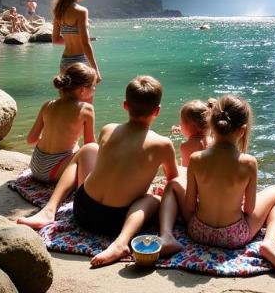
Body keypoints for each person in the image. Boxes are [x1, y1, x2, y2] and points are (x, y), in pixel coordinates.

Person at [17, 75, 178, 268]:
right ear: (157, 111)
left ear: (125, 106)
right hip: (115, 222)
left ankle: (49, 210)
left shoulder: (108, 129)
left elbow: (109, 166)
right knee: (153, 199)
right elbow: (172, 180)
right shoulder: (163, 144)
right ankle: (121, 243)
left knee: (87, 149)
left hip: (82, 208)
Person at [158, 94, 275, 276]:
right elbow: (250, 210)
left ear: (211, 124)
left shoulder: (197, 159)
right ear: (242, 130)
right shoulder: (249, 162)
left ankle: (165, 234)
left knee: (173, 184)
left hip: (198, 232)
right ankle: (269, 242)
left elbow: (190, 206)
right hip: (235, 237)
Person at [27, 63, 97, 183]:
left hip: (36, 166)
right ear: (83, 90)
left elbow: (31, 140)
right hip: (54, 173)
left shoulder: (48, 104)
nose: (95, 89)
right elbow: (90, 145)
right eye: (94, 85)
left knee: (75, 146)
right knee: (93, 148)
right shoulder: (86, 109)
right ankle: (82, 189)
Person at [52, 0, 101, 82]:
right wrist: (96, 70)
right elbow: (85, 44)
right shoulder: (81, 12)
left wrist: (73, 40)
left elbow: (55, 40)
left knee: (67, 98)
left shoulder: (58, 10)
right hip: (80, 61)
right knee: (85, 99)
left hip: (65, 61)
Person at [173, 99, 213, 167]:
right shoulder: (213, 142)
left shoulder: (185, 147)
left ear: (189, 126)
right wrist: (182, 129)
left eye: (181, 123)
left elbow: (186, 169)